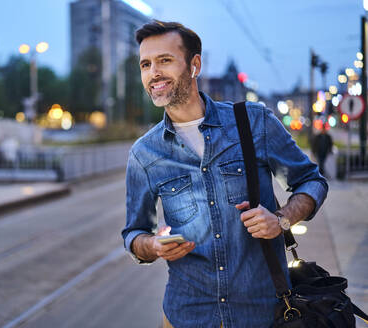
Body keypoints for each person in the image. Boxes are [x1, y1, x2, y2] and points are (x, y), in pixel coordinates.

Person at [121, 20, 328, 328]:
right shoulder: (144, 154)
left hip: (263, 313)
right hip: (186, 316)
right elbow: (133, 233)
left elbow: (312, 181)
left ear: (194, 65)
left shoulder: (254, 123)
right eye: (146, 64)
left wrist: (281, 220)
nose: (154, 73)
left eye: (165, 60)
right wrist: (151, 246)